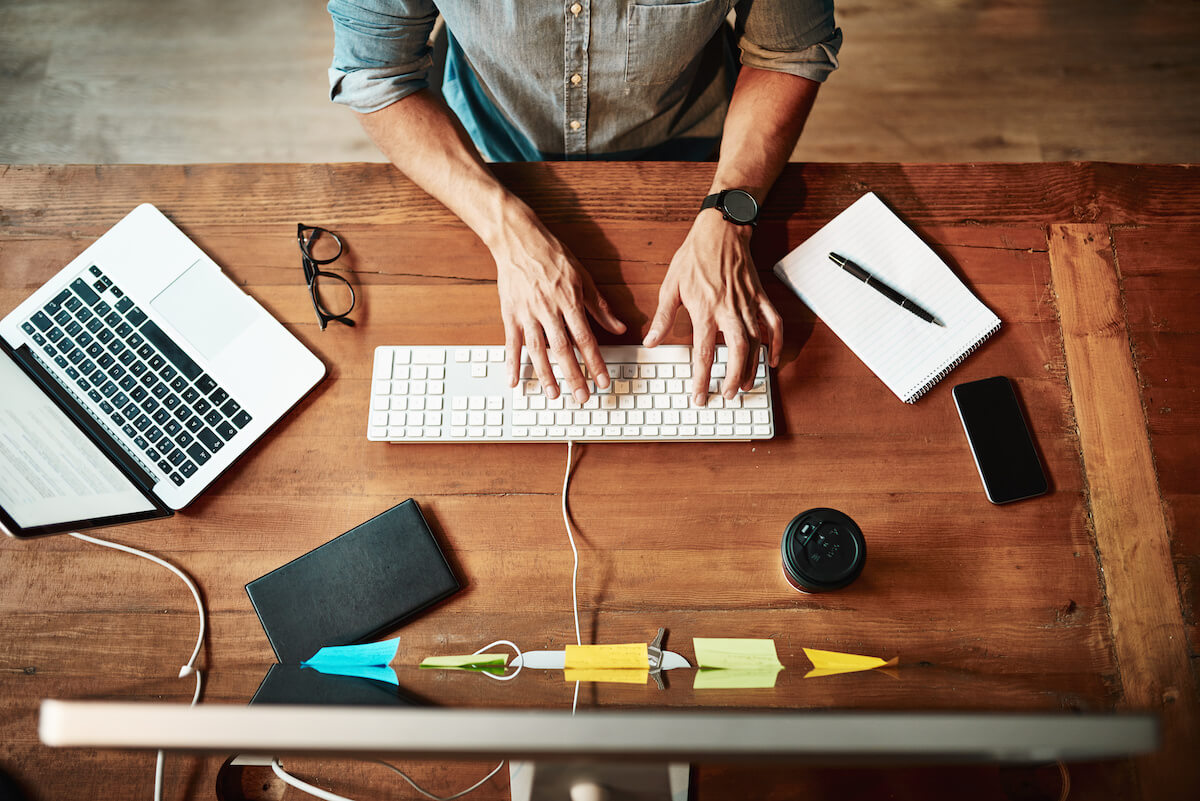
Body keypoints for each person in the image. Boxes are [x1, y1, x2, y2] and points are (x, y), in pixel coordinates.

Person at [326, 1, 841, 406]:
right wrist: (506, 230)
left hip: (699, 161)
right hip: (489, 155)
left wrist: (730, 213)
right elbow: (376, 70)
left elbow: (786, 51)